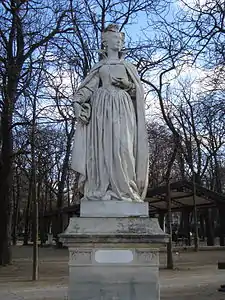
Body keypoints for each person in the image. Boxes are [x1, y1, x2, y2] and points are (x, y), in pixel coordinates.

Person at [71, 24, 148, 202]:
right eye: (116, 39)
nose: (119, 42)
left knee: (124, 148)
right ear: (106, 41)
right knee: (102, 149)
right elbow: (87, 88)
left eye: (121, 39)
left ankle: (126, 190)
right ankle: (101, 188)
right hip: (102, 111)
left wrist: (128, 86)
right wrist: (76, 103)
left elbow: (138, 93)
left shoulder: (129, 67)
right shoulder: (100, 67)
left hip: (123, 108)